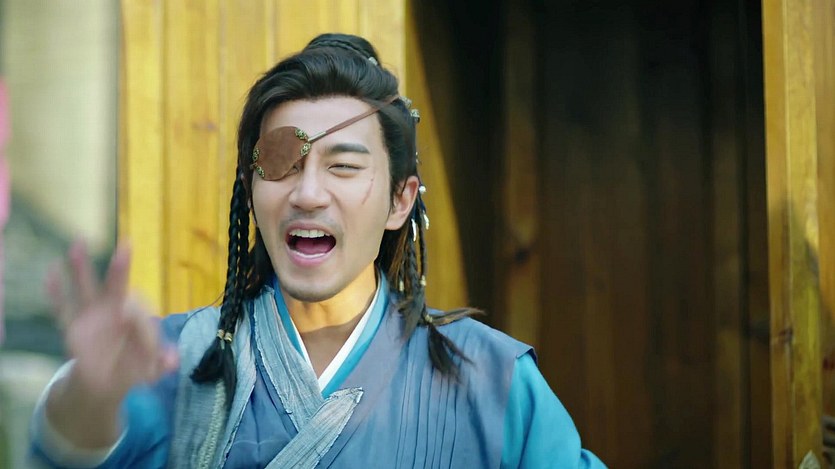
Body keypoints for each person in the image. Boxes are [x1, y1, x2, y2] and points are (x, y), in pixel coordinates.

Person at [29, 33, 605, 468]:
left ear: (400, 200)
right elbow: (75, 449)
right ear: (250, 191)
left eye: (344, 166)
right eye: (281, 165)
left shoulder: (492, 379)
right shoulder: (178, 361)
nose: (307, 193)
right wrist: (90, 394)